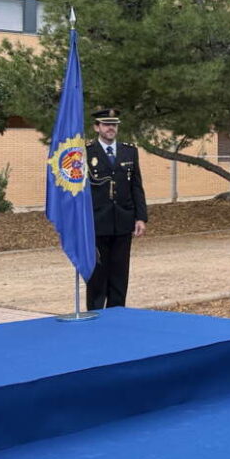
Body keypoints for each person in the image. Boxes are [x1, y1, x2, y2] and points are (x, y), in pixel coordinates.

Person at [86, 108, 147, 309]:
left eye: (114, 124)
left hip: (123, 221)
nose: (111, 128)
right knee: (97, 272)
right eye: (106, 124)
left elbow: (136, 186)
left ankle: (118, 313)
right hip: (97, 222)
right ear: (97, 127)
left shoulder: (129, 151)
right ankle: (95, 314)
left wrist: (140, 217)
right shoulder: (86, 152)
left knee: (120, 272)